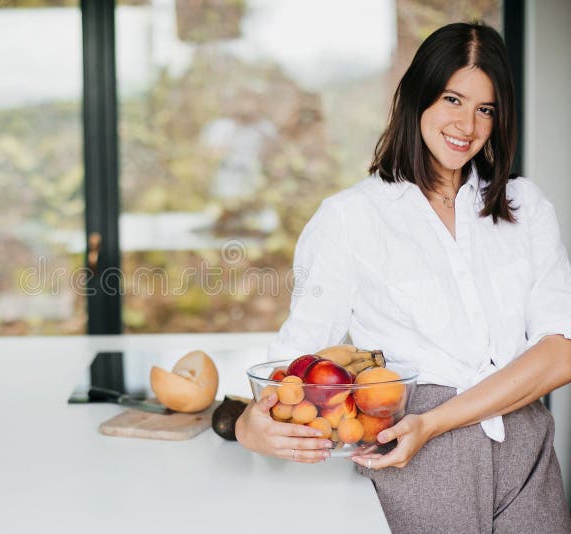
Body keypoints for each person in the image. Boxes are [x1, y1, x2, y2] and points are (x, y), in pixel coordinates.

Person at [235, 21, 571, 533]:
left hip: (524, 452)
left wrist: (436, 421)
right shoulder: (350, 218)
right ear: (416, 97)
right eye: (452, 100)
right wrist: (247, 427)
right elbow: (298, 359)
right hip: (416, 461)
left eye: (486, 109)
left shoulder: (528, 208)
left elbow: (562, 350)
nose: (468, 125)